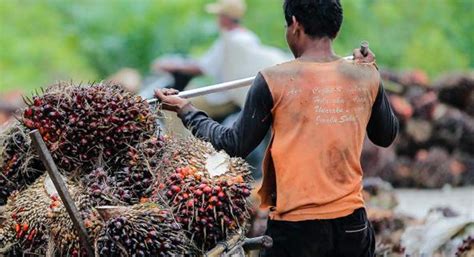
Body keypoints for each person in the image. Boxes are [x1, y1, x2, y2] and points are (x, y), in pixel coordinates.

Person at [155, 0, 399, 256]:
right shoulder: (364, 75)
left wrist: (187, 111)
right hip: (353, 227)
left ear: (295, 25)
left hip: (295, 231)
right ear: (335, 30)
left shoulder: (273, 79)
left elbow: (233, 144)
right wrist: (373, 74)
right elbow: (386, 135)